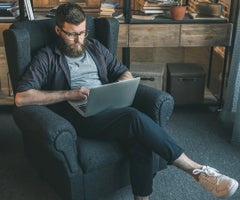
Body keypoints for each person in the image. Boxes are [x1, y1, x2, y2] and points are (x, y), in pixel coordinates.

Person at [14, 3, 238, 200]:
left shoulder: (94, 47)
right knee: (134, 118)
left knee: (140, 139)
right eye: (72, 34)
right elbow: (22, 97)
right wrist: (67, 94)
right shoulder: (47, 57)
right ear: (58, 30)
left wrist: (121, 86)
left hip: (110, 106)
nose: (78, 40)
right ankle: (198, 171)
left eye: (82, 33)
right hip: (81, 115)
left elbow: (123, 72)